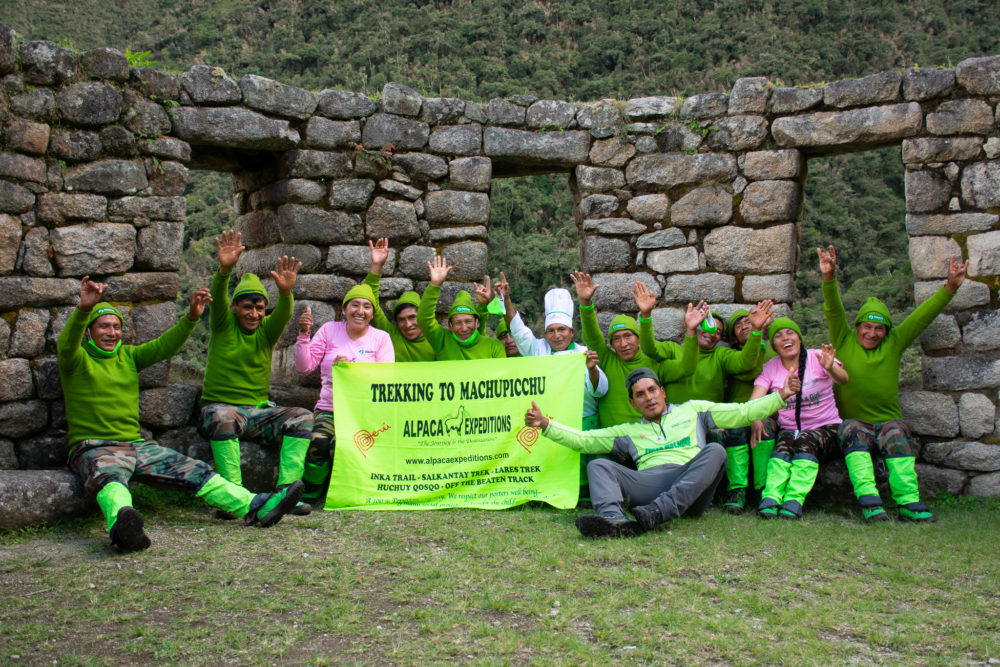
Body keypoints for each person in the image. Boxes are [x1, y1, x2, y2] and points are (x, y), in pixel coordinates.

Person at [59, 276, 303, 551]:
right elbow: (67, 343)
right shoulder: (76, 361)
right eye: (104, 326)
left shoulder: (128, 357)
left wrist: (190, 317)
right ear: (89, 332)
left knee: (197, 472)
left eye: (116, 327)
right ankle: (122, 525)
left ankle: (254, 505)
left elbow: (166, 346)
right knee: (111, 481)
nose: (112, 332)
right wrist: (83, 309)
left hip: (138, 447)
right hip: (95, 448)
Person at [524, 367, 800, 538]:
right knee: (598, 465)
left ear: (663, 391)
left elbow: (743, 412)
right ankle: (613, 521)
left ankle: (659, 512)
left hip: (691, 487)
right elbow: (584, 440)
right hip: (651, 483)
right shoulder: (629, 431)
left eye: (652, 390)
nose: (649, 398)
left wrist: (781, 395)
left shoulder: (693, 410)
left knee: (716, 450)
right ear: (633, 403)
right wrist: (546, 425)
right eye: (641, 395)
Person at [819, 245, 969, 522]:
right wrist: (829, 277)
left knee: (898, 435)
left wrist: (950, 287)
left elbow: (922, 317)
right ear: (858, 326)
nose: (872, 333)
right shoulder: (844, 338)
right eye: (867, 327)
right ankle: (870, 501)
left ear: (886, 330)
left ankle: (908, 502)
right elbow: (834, 310)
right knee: (851, 433)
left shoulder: (895, 342)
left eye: (879, 328)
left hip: (889, 421)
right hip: (854, 422)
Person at [199, 230, 314, 516]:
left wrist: (286, 292)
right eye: (247, 307)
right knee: (224, 417)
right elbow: (219, 297)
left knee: (302, 417)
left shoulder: (265, 333)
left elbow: (285, 314)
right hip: (221, 409)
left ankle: (286, 492)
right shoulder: (223, 326)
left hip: (257, 413)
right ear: (235, 307)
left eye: (260, 308)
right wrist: (225, 270)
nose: (254, 314)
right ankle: (233, 496)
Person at [633, 282, 774, 514]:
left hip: (709, 424)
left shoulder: (720, 355)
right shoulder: (673, 349)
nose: (713, 334)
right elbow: (649, 348)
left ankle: (711, 494)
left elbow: (746, 362)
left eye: (719, 331)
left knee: (718, 440)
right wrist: (646, 315)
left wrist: (757, 332)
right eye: (708, 326)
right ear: (694, 326)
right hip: (674, 422)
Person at [294, 285, 394, 503]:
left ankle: (353, 492)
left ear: (372, 314)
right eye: (355, 305)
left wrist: (353, 371)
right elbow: (304, 366)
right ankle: (311, 492)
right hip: (329, 409)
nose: (360, 311)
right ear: (344, 309)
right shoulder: (330, 330)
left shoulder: (381, 338)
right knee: (318, 442)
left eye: (367, 307)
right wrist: (303, 335)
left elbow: (386, 378)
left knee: (344, 445)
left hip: (364, 412)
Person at [571, 271, 699, 428]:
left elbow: (687, 368)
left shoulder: (654, 365)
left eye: (628, 336)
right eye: (616, 339)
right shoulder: (606, 359)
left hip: (648, 441)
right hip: (613, 443)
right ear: (611, 344)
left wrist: (691, 332)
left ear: (638, 339)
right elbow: (592, 336)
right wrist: (585, 302)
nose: (623, 343)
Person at [750, 317, 848, 519]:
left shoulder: (817, 357)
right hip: (789, 429)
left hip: (826, 428)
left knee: (804, 441)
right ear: (774, 345)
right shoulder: (771, 367)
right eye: (778, 335)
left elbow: (843, 379)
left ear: (799, 338)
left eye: (790, 333)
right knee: (782, 448)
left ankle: (793, 500)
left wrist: (830, 367)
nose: (785, 338)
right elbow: (755, 401)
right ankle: (771, 498)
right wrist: (755, 419)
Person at [724, 307, 777, 509]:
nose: (744, 326)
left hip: (765, 414)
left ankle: (763, 489)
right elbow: (748, 371)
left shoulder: (773, 354)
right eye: (738, 326)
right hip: (738, 413)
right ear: (735, 338)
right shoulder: (731, 356)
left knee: (765, 428)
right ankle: (737, 489)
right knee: (735, 430)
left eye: (748, 322)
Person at [417, 255, 505, 360]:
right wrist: (434, 285)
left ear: (477, 323)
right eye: (458, 323)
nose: (464, 328)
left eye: (468, 321)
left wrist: (484, 305)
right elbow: (424, 320)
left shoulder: (493, 346)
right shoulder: (442, 341)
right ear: (450, 326)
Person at [364, 238, 435, 362]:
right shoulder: (391, 335)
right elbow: (370, 300)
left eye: (412, 317)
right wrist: (377, 265)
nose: (408, 325)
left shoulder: (438, 339)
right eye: (401, 320)